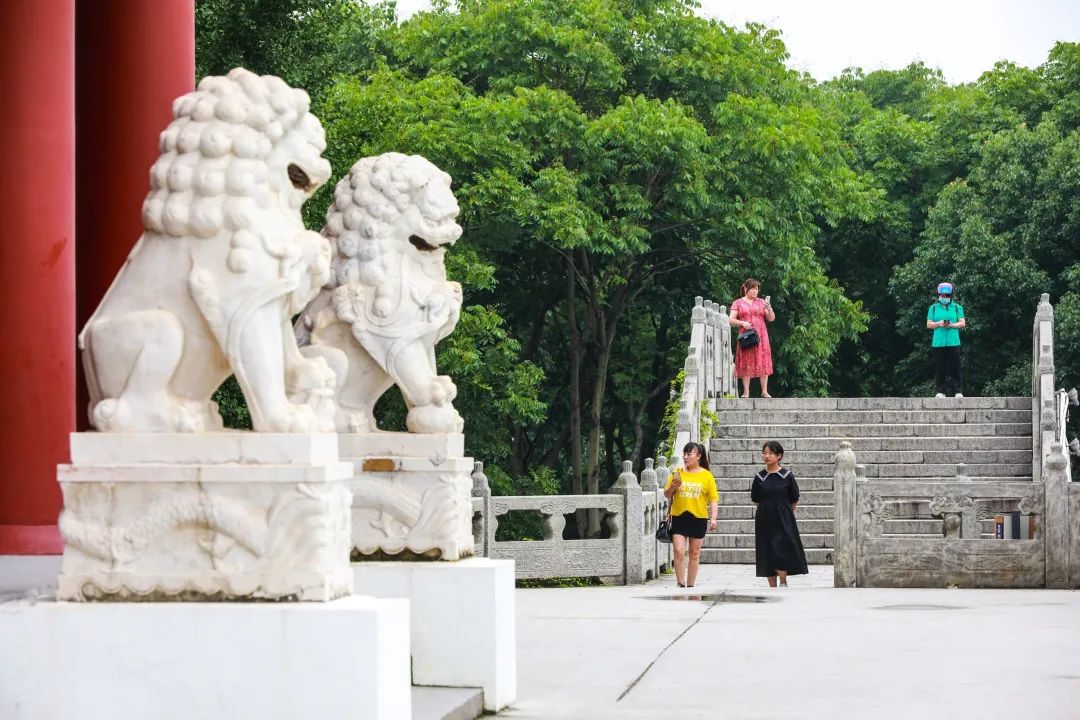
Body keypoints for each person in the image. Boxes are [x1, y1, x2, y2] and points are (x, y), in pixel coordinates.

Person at [751, 441, 808, 587]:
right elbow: (756, 499)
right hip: (764, 519)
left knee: (781, 548)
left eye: (770, 453)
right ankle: (772, 586)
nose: (766, 456)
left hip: (784, 518)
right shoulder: (759, 477)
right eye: (764, 453)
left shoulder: (787, 476)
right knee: (767, 549)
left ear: (779, 456)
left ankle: (783, 581)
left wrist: (785, 512)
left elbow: (794, 499)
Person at [663, 442, 718, 588]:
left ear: (698, 456)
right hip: (679, 517)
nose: (685, 457)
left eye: (689, 454)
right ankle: (680, 583)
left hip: (698, 518)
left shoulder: (707, 476)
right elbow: (667, 494)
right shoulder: (677, 472)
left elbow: (713, 499)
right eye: (684, 454)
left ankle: (691, 585)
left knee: (694, 553)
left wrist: (713, 518)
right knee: (679, 551)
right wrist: (673, 487)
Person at [728, 278, 775, 398]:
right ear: (745, 288)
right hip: (746, 335)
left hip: (761, 335)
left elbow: (771, 318)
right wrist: (742, 323)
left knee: (763, 359)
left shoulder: (761, 302)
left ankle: (764, 391)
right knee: (745, 360)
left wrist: (769, 308)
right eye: (752, 288)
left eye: (757, 289)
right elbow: (730, 319)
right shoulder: (737, 303)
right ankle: (746, 392)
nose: (755, 291)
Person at [926, 282, 966, 398]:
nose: (944, 297)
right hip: (938, 342)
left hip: (953, 341)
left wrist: (952, 325)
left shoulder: (957, 307)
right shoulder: (933, 308)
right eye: (942, 295)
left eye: (947, 295)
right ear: (938, 295)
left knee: (955, 366)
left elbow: (962, 323)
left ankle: (958, 391)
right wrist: (939, 323)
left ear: (951, 295)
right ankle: (941, 391)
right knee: (940, 367)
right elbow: (929, 324)